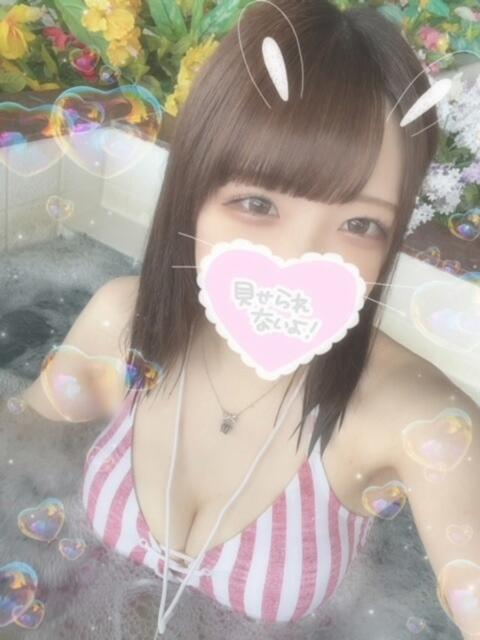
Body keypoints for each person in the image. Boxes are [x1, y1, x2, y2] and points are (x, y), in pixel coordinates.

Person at [23, 0, 480, 638]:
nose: (298, 259)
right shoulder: (121, 322)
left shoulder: (411, 415)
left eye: (360, 223)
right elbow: (22, 441)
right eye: (258, 203)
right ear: (192, 193)